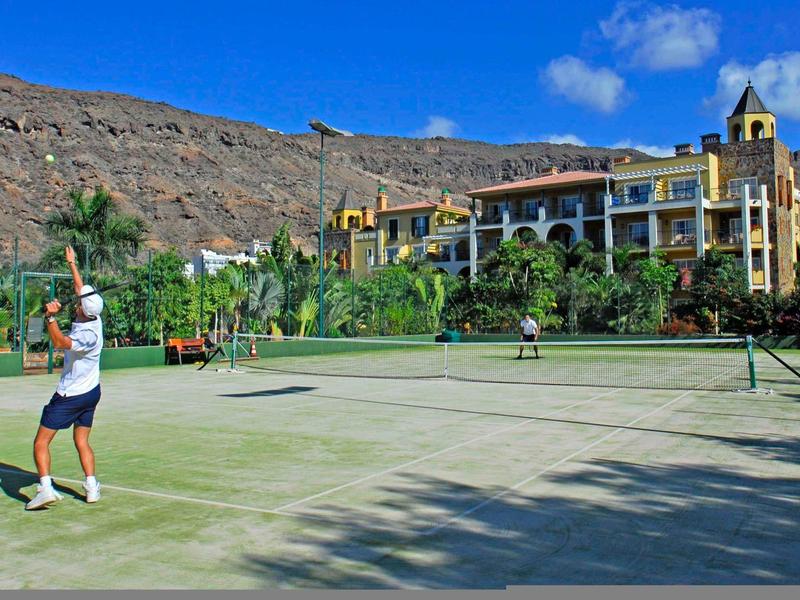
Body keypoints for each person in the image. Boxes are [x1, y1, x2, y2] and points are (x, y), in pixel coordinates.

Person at [25, 246, 104, 510]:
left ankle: (45, 488)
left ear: (83, 308)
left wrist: (50, 317)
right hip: (92, 392)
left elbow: (59, 342)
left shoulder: (86, 336)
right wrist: (72, 264)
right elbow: (83, 290)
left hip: (70, 395)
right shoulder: (94, 317)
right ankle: (92, 487)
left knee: (40, 442)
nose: (77, 297)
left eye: (80, 300)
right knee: (82, 440)